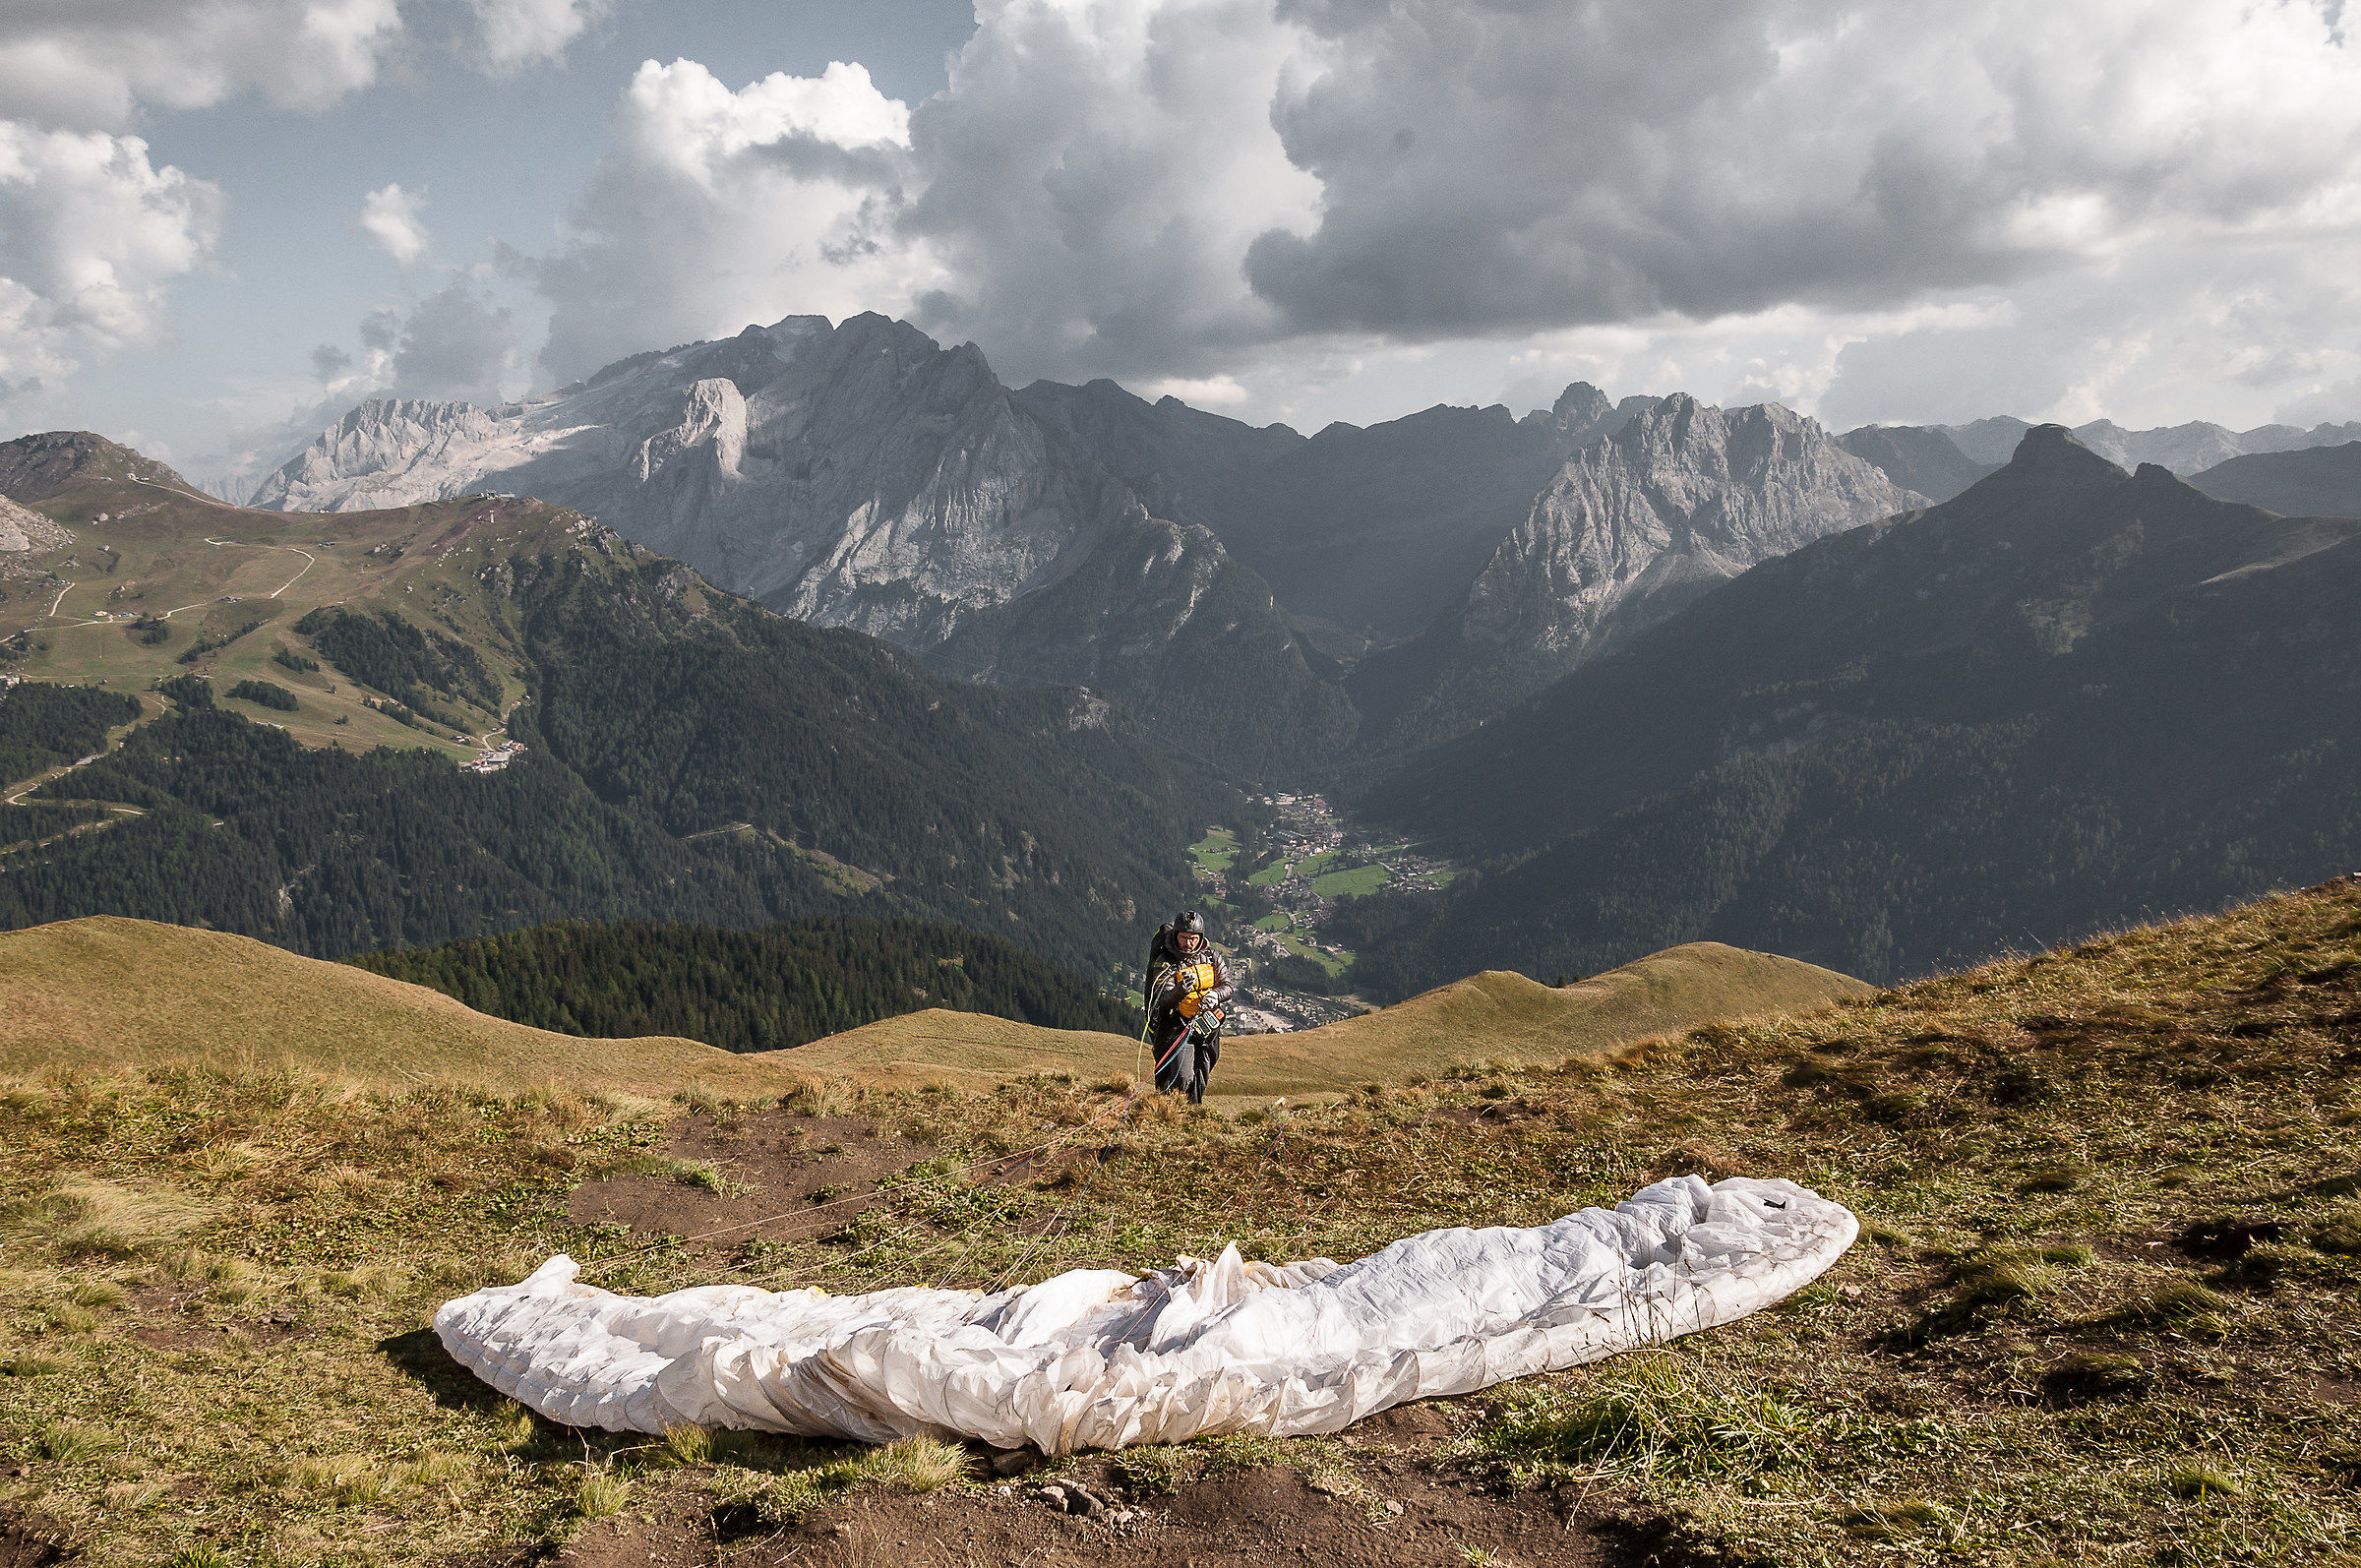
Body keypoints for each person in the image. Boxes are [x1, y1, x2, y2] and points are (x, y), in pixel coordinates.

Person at [1144, 909, 1235, 1104]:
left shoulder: (1211, 957)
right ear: (1176, 935)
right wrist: (1181, 989)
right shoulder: (1165, 962)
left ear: (1200, 937)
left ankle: (1192, 1109)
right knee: (1183, 1076)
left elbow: (1227, 986)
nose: (1188, 942)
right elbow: (1163, 999)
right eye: (1184, 937)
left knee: (1203, 1070)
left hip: (1207, 1025)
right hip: (1177, 1026)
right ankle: (1169, 1108)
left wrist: (1215, 995)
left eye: (1193, 938)